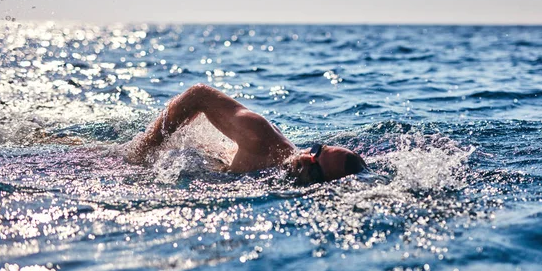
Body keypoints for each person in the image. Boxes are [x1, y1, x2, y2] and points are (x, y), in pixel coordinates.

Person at [127, 83, 367, 184]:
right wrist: (143, 151)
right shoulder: (260, 139)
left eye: (315, 170)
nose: (306, 158)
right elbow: (197, 95)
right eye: (316, 151)